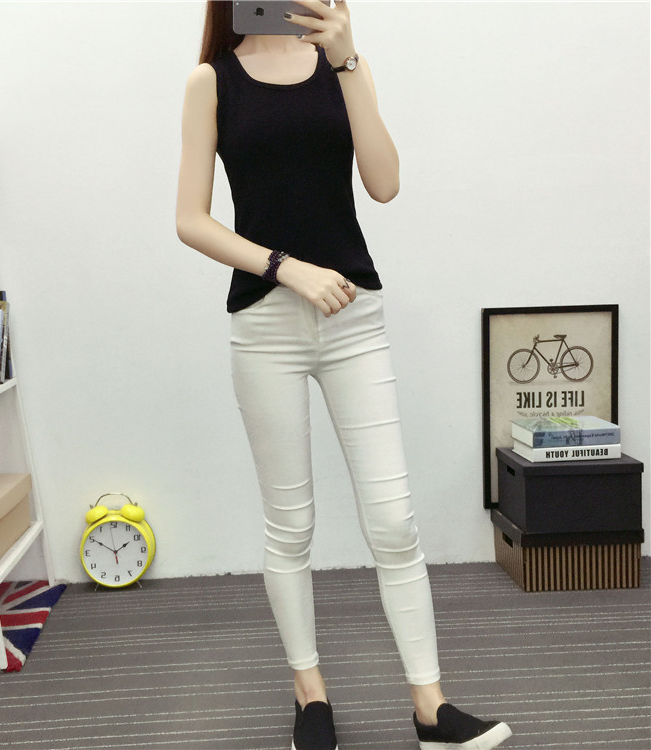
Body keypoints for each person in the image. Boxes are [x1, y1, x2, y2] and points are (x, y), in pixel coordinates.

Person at [176, 2, 512, 748]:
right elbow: (190, 219)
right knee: (290, 525)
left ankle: (430, 708)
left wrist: (349, 59)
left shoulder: (342, 67)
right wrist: (285, 267)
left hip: (353, 316)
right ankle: (310, 695)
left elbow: (384, 184)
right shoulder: (212, 82)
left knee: (394, 521)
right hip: (265, 321)